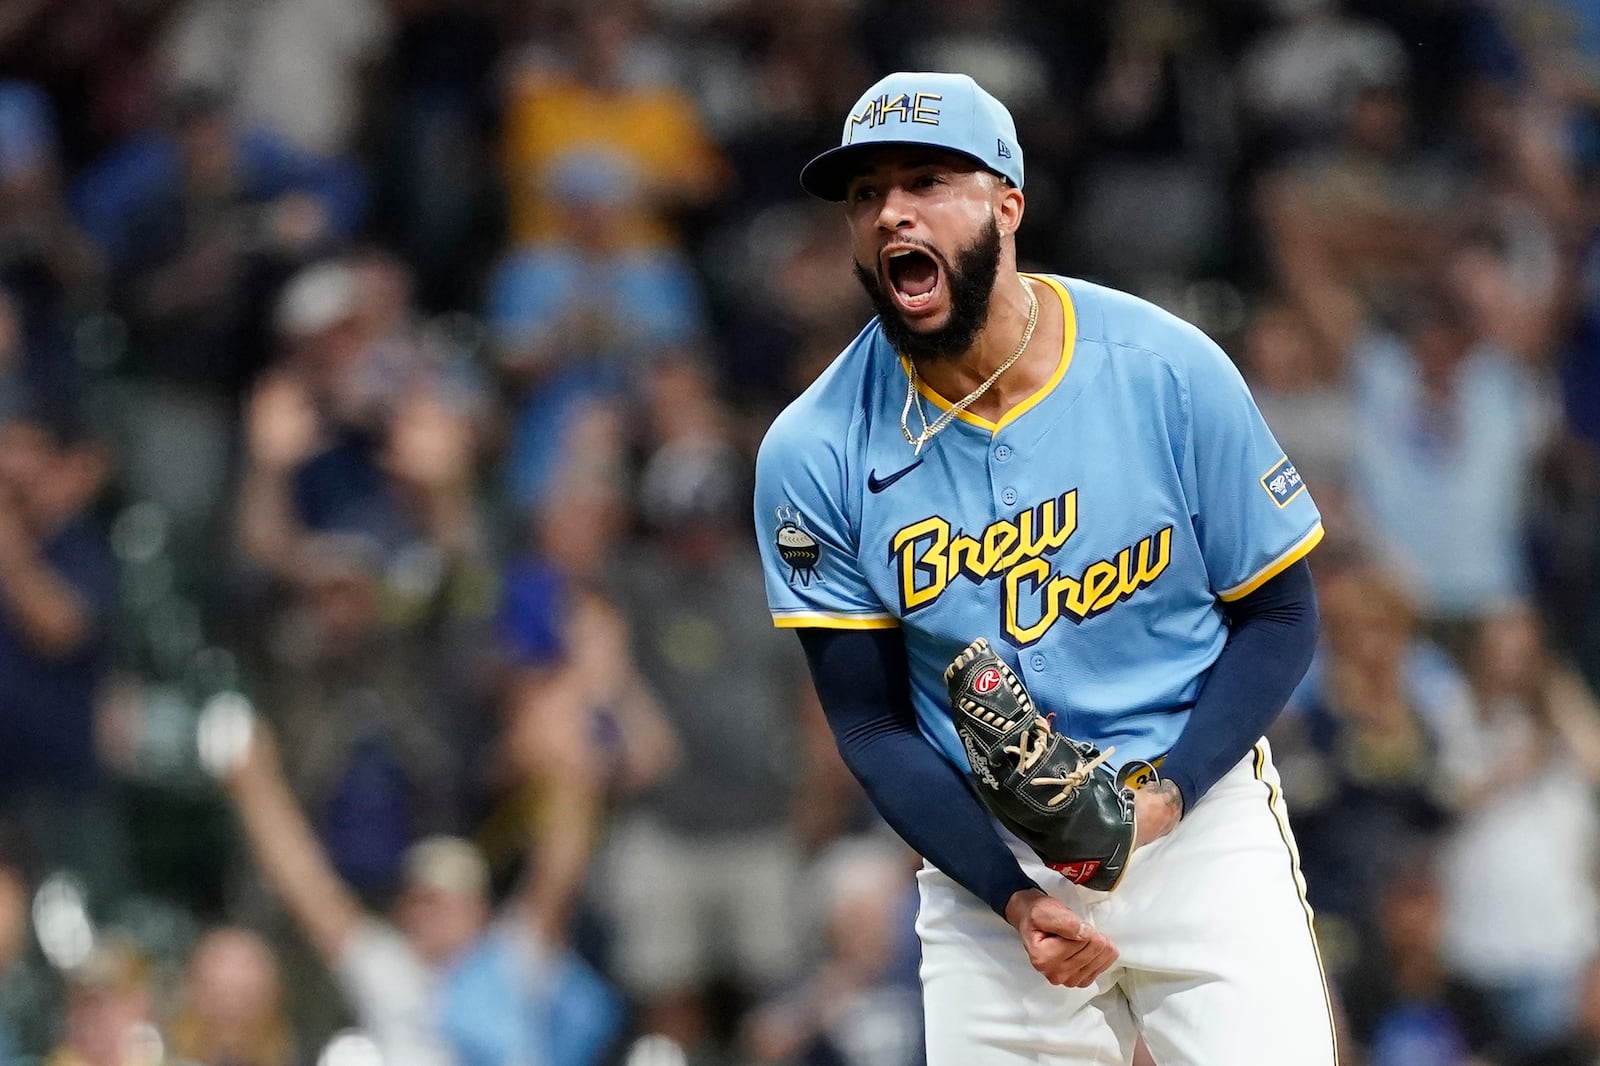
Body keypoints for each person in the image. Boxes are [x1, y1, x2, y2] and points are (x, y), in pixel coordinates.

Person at [755, 72, 1331, 1063]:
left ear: (1006, 203)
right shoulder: (814, 450)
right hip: (990, 861)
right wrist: (1013, 895)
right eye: (865, 194)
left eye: (927, 179)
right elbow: (870, 719)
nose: (891, 209)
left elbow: (1279, 617)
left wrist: (1159, 804)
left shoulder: (1162, 369)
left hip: (1195, 818)